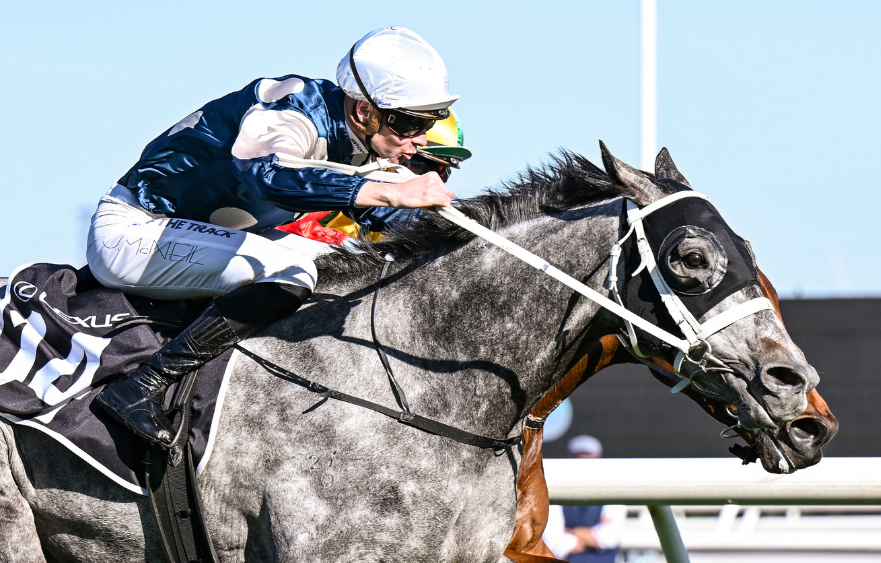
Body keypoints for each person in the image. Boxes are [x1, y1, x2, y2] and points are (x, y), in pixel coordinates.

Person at [87, 27, 458, 449]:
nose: (421, 140)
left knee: (347, 268)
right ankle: (141, 387)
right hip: (135, 232)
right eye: (409, 124)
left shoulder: (360, 137)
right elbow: (268, 176)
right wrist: (389, 189)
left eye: (428, 123)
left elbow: (382, 218)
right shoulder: (292, 109)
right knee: (294, 271)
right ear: (363, 111)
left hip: (207, 234)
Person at [276, 108, 472, 244]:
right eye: (418, 165)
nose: (428, 181)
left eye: (440, 171)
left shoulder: (400, 217)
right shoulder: (330, 179)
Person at [543, 435, 627, 563]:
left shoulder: (612, 489)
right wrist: (592, 538)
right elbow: (553, 543)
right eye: (578, 459)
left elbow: (610, 536)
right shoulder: (553, 489)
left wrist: (570, 532)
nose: (584, 464)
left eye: (590, 459)